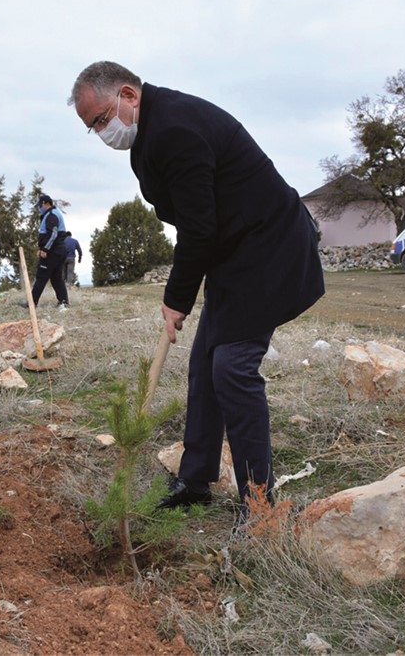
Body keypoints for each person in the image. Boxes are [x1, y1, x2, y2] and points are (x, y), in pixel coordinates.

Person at [69, 61, 324, 518]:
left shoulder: (174, 129)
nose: (103, 132)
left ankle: (259, 504)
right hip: (235, 253)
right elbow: (195, 219)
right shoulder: (148, 138)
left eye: (102, 119)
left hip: (270, 248)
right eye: (93, 128)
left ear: (128, 94)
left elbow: (198, 228)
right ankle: (196, 478)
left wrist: (176, 299)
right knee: (205, 362)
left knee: (231, 367)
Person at [29, 194, 69, 310]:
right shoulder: (54, 214)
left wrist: (45, 249)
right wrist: (41, 248)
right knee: (56, 278)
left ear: (46, 204)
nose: (39, 208)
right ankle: (64, 302)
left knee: (41, 276)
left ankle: (32, 303)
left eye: (40, 206)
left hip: (53, 252)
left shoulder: (51, 215)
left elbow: (53, 234)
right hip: (58, 251)